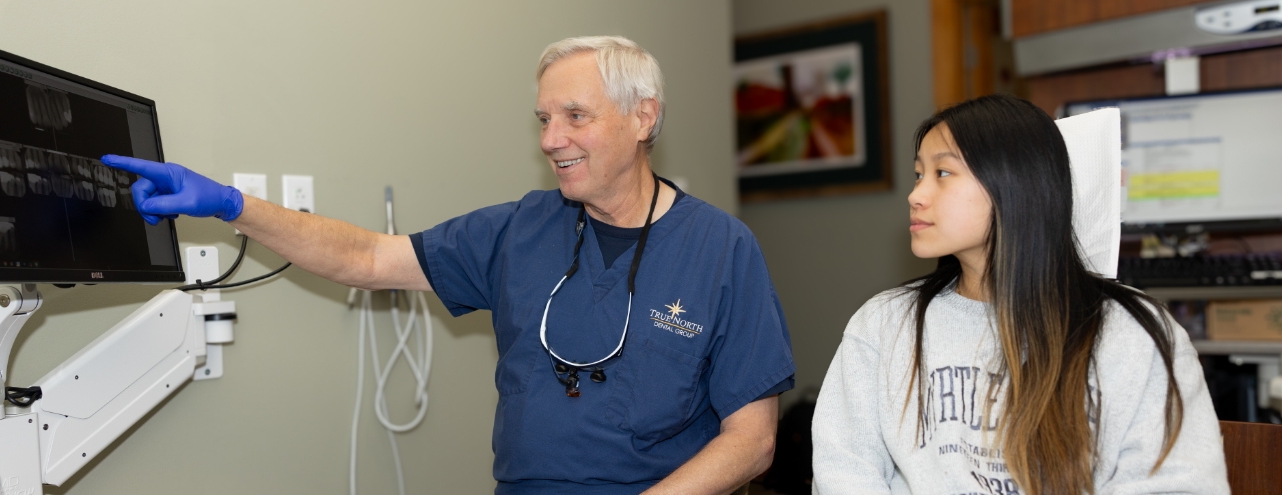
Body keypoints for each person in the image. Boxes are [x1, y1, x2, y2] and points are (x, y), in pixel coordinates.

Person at [103, 36, 795, 494]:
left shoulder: (722, 249)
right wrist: (230, 204)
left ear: (643, 117)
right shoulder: (522, 228)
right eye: (543, 119)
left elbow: (754, 440)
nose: (551, 140)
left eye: (574, 116)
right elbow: (367, 257)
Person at [811, 95, 1229, 494]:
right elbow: (843, 471)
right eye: (919, 174)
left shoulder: (1135, 335)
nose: (915, 195)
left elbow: (1178, 484)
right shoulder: (884, 324)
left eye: (943, 173)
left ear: (1014, 184)